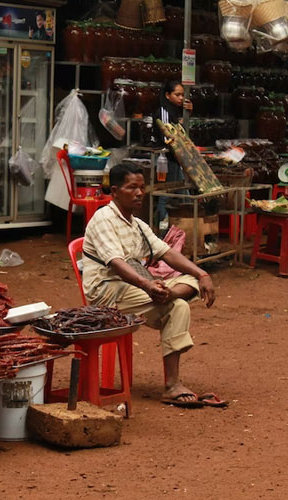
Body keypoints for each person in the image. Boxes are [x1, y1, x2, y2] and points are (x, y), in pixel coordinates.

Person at [82, 162, 218, 406]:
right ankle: (168, 296)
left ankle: (171, 383)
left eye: (142, 187)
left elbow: (166, 252)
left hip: (134, 289)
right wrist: (147, 286)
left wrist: (202, 273)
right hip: (107, 291)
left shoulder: (137, 224)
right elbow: (116, 265)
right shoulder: (104, 219)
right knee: (180, 305)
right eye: (131, 188)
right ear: (114, 191)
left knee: (186, 291)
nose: (139, 193)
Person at [152, 80, 193, 226]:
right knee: (166, 194)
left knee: (183, 193)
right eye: (177, 95)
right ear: (167, 95)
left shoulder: (175, 112)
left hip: (176, 159)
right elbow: (166, 137)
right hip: (167, 159)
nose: (181, 98)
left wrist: (188, 113)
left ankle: (189, 223)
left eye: (182, 95)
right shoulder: (163, 111)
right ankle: (163, 228)